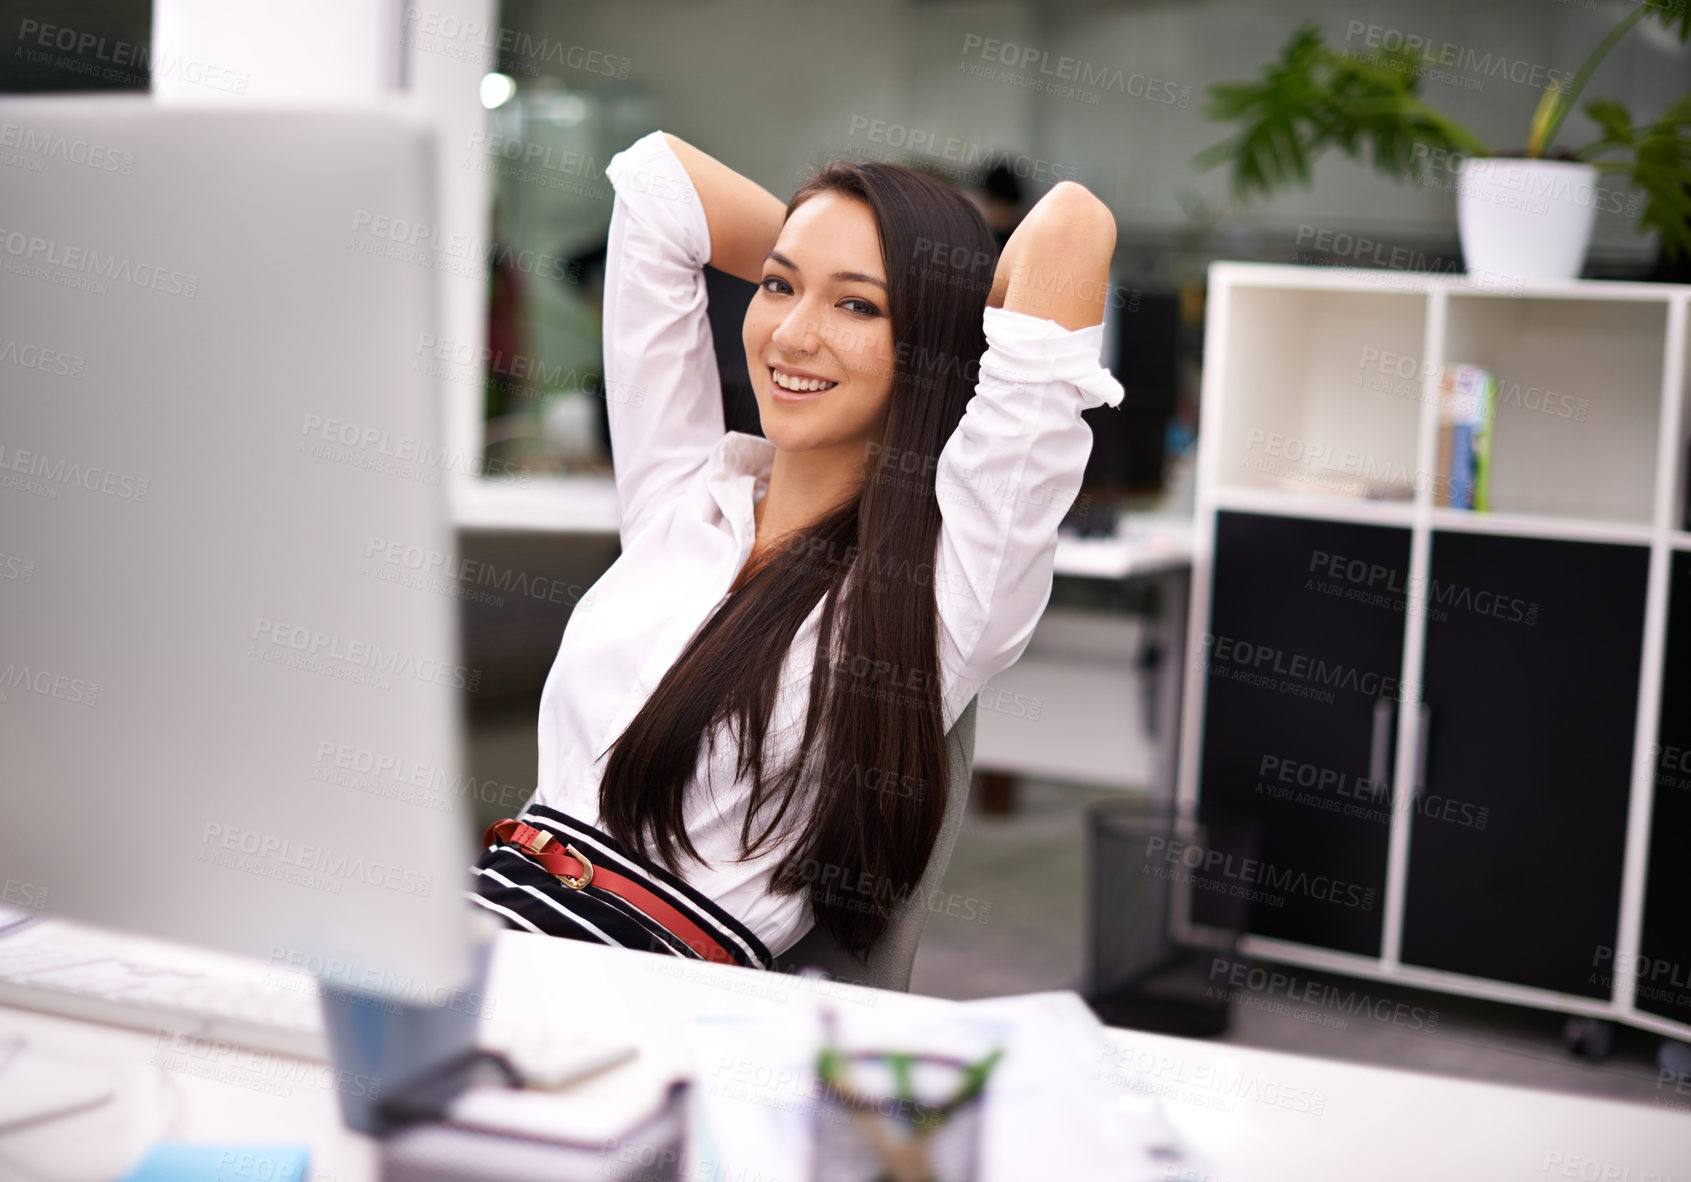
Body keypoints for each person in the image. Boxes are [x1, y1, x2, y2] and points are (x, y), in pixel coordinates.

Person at [468, 128, 1123, 970]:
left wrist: (938, 291)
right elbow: (659, 180)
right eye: (779, 285)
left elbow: (1073, 225)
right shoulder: (685, 503)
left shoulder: (939, 594)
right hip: (488, 936)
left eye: (856, 305)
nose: (791, 335)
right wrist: (850, 261)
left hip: (638, 1003)